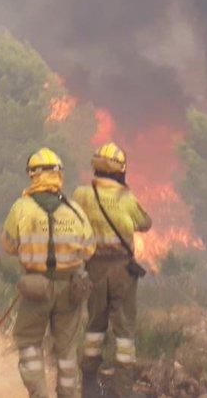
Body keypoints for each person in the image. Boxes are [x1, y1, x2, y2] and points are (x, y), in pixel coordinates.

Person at [3, 148, 96, 398]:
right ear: (59, 174)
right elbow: (89, 249)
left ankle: (39, 394)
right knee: (66, 350)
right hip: (70, 290)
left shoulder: (21, 208)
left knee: (29, 343)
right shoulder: (75, 210)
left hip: (35, 288)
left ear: (32, 175)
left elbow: (9, 245)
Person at [72, 143, 152, 397]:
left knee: (94, 326)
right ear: (121, 170)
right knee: (124, 331)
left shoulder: (81, 194)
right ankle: (122, 390)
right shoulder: (125, 198)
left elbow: (72, 222)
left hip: (94, 267)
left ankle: (88, 385)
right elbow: (145, 223)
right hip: (122, 270)